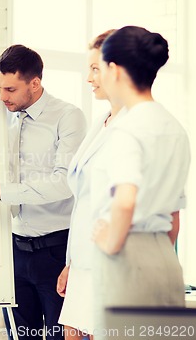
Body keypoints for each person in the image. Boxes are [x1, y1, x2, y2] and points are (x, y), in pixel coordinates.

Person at [0, 45, 87, 340]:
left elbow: (64, 183)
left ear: (35, 83)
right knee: (21, 337)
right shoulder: (1, 112)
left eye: (10, 89)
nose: (3, 96)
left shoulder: (68, 117)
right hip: (13, 251)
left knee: (61, 336)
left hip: (56, 251)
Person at [90, 26, 190, 338]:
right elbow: (174, 216)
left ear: (114, 70)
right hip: (166, 258)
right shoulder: (174, 127)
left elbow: (125, 200)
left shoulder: (127, 129)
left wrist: (110, 241)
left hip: (128, 258)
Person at [56, 30, 125, 340]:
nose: (89, 78)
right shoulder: (102, 122)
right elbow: (84, 202)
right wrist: (72, 262)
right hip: (84, 265)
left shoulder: (140, 127)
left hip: (114, 270)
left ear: (117, 69)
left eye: (95, 69)